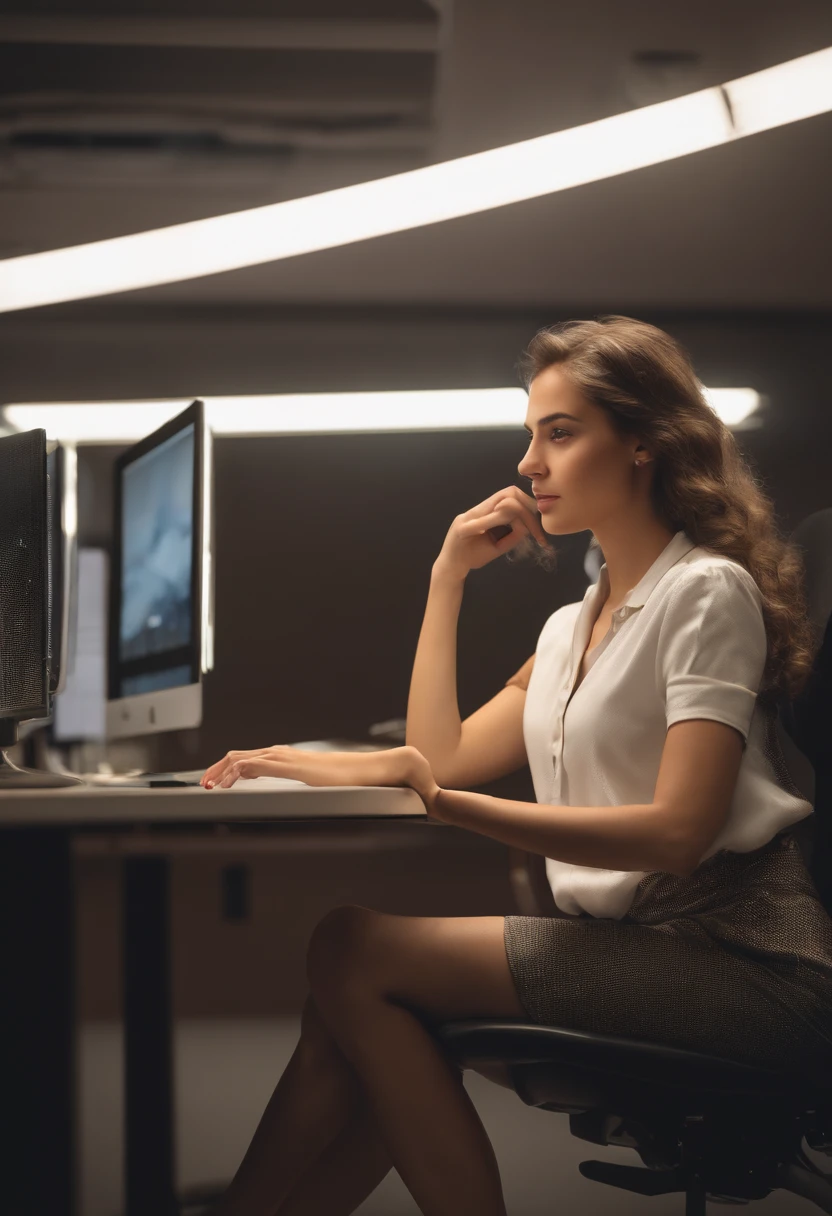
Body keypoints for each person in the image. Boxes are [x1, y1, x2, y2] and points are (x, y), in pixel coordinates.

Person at [202, 315, 832, 1216]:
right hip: (635, 947)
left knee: (350, 946)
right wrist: (444, 581)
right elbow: (441, 755)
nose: (529, 462)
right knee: (354, 1014)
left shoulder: (705, 592)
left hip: (742, 961)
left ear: (645, 444)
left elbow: (680, 833)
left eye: (560, 433)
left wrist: (456, 807)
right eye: (531, 434)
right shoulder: (570, 626)